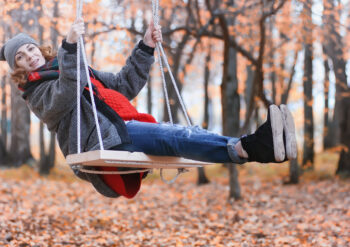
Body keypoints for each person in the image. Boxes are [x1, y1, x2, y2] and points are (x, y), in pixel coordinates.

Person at [0, 19, 297, 199]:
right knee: (175, 134)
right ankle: (253, 147)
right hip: (99, 141)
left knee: (180, 135)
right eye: (21, 58)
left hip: (119, 128)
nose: (30, 56)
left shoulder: (75, 65)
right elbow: (65, 94)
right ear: (19, 69)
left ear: (39, 48)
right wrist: (70, 47)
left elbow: (122, 85)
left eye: (30, 49)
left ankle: (256, 147)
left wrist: (144, 47)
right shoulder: (34, 93)